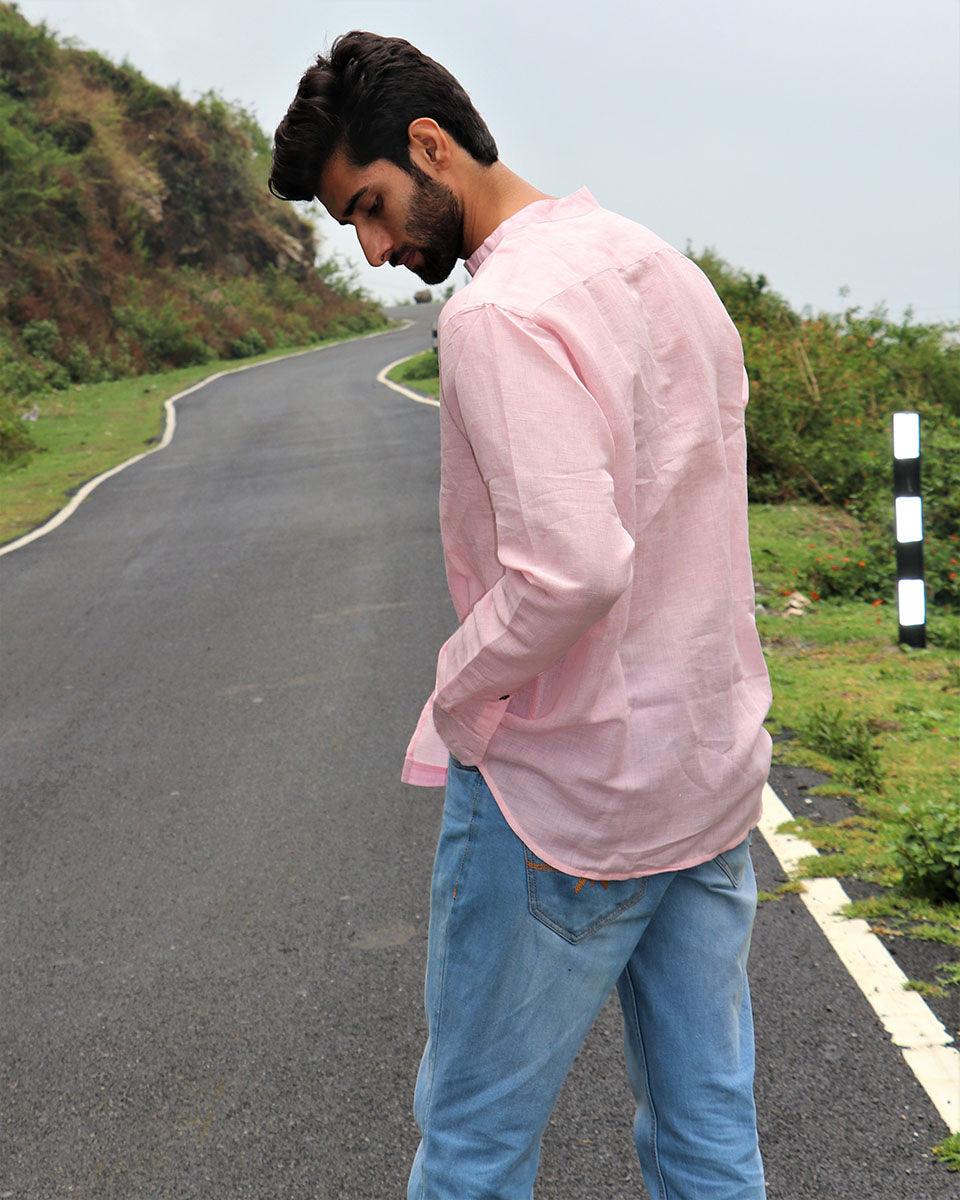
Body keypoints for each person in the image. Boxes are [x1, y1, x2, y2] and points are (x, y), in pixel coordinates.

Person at [270, 30, 773, 1200]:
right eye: (353, 222)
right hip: (705, 782)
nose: (378, 245)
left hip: (565, 799)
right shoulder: (659, 267)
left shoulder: (498, 319)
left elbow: (570, 572)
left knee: (473, 1150)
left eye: (372, 204)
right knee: (709, 1143)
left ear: (431, 144)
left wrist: (458, 693)